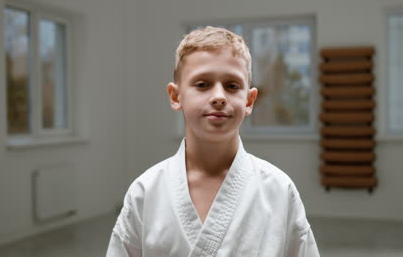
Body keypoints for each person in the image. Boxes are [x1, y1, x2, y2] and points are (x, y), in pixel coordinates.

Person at [106, 26, 320, 257]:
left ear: (249, 100)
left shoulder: (278, 190)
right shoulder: (146, 192)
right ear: (176, 96)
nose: (218, 96)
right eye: (202, 84)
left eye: (232, 86)